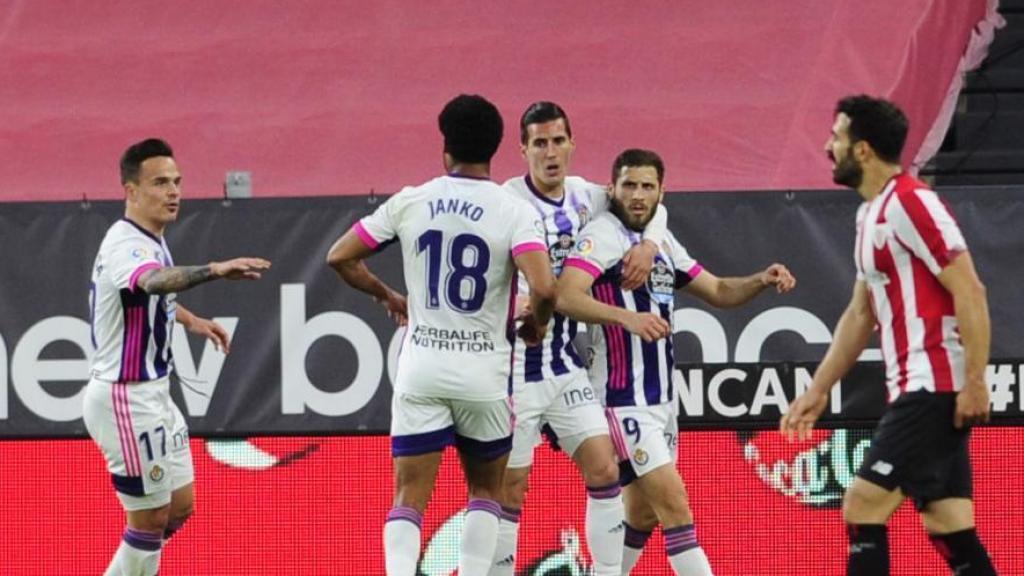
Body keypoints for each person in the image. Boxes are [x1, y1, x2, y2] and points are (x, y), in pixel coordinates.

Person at [326, 94, 557, 576]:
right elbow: (545, 286)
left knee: (409, 496)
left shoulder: (412, 200)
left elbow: (339, 256)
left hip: (422, 368)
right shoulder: (513, 210)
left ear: (444, 149)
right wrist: (538, 321)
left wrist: (388, 296)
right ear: (496, 149)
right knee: (485, 493)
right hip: (484, 374)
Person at [780, 95, 996, 576]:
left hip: (934, 386)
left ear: (861, 149)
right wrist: (817, 391)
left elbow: (971, 290)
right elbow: (860, 315)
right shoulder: (870, 215)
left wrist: (975, 381)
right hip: (923, 387)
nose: (826, 146)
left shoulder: (913, 203)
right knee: (948, 524)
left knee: (861, 506)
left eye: (836, 136)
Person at [558, 148, 796, 575]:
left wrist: (761, 279)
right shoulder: (602, 235)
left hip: (662, 403)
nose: (637, 195)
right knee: (675, 507)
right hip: (621, 398)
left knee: (644, 514)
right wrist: (626, 318)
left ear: (661, 192)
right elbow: (567, 295)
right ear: (612, 188)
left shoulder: (661, 241)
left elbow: (720, 290)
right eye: (629, 184)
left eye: (647, 186)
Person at [491, 101, 669, 576]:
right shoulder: (506, 202)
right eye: (539, 144)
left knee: (604, 469)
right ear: (523, 150)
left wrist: (650, 243)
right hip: (515, 372)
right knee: (510, 490)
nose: (550, 153)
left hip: (564, 365)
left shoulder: (588, 196)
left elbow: (652, 205)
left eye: (558, 141)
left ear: (572, 144)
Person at [83, 138, 271, 576]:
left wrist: (190, 321)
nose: (174, 192)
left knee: (177, 507)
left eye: (177, 181)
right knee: (148, 522)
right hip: (125, 399)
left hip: (154, 395)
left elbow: (150, 296)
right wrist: (213, 269)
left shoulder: (149, 239)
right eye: (160, 183)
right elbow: (150, 282)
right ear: (131, 191)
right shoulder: (127, 244)